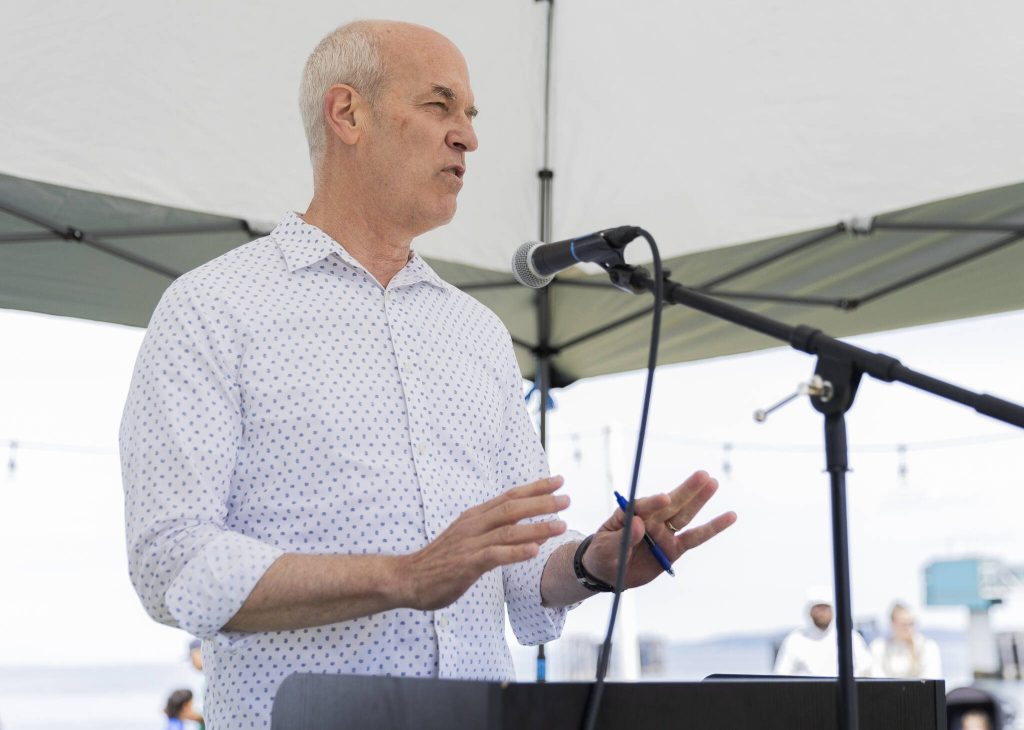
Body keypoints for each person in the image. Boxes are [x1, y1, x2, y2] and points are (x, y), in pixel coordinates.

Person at [119, 19, 736, 730]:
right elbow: (171, 566)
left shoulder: (475, 333)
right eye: (440, 106)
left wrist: (595, 565)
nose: (468, 138)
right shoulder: (213, 308)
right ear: (348, 114)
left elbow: (519, 574)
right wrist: (403, 577)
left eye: (471, 116)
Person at [773, 589, 871, 676]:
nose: (823, 612)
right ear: (810, 611)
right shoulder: (795, 640)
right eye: (818, 608)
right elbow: (781, 675)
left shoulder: (850, 637)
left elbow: (866, 669)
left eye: (826, 608)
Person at [869, 602, 942, 678]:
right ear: (892, 624)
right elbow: (876, 676)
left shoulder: (927, 646)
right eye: (904, 624)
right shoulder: (879, 647)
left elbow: (931, 676)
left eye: (911, 624)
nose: (908, 629)